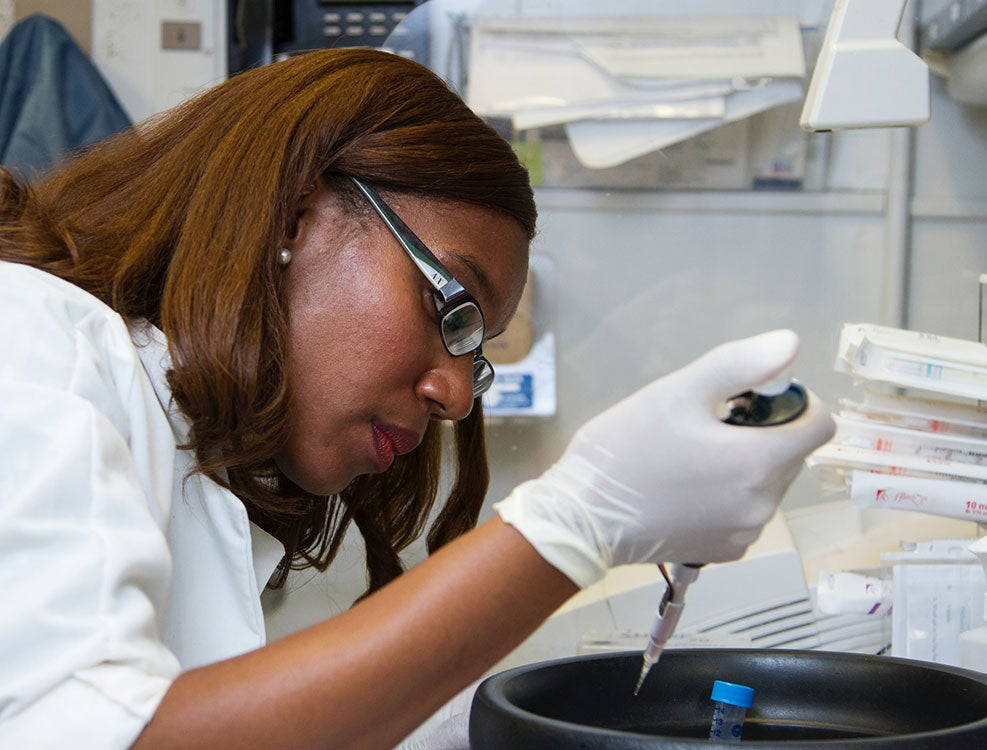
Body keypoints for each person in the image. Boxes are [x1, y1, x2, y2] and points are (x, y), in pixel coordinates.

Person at [0, 47, 835, 749]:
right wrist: (573, 525)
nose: (454, 398)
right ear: (293, 217)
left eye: (477, 356)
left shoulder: (170, 446)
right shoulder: (30, 345)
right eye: (453, 309)